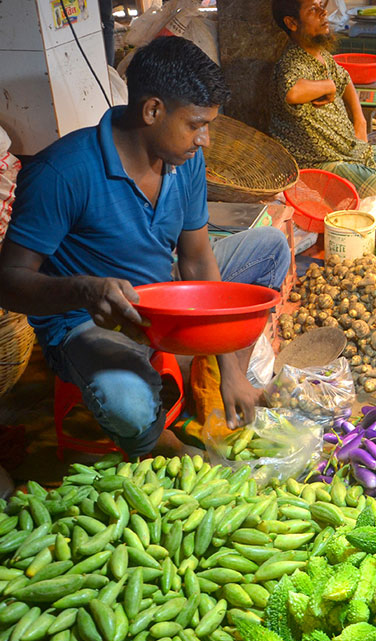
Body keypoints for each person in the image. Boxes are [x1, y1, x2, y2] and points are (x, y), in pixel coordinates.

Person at [0, 36, 292, 458]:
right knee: (130, 408)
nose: (205, 140)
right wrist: (86, 290)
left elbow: (195, 260)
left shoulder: (184, 161)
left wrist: (230, 367)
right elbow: (8, 282)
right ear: (153, 110)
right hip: (93, 321)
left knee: (269, 248)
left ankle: (212, 383)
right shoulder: (61, 173)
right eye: (196, 125)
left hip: (165, 296)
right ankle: (157, 440)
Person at [270, 0, 376, 206]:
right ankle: (375, 207)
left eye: (321, 6)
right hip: (319, 162)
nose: (324, 13)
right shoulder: (292, 61)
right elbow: (293, 91)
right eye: (313, 10)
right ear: (292, 23)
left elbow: (346, 79)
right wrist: (329, 86)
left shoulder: (321, 55)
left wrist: (360, 121)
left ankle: (371, 196)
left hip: (347, 149)